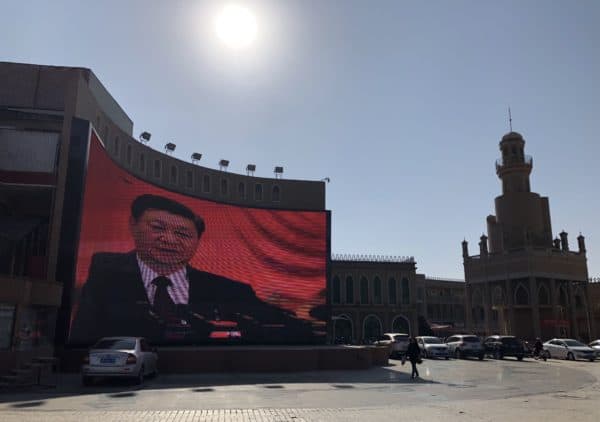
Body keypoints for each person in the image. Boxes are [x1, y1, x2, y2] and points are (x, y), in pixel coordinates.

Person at [70, 194, 314, 344]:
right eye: (157, 228)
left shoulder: (230, 289)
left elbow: (277, 319)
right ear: (133, 225)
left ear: (198, 241)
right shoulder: (106, 270)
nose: (169, 239)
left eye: (182, 233)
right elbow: (84, 330)